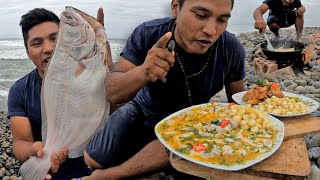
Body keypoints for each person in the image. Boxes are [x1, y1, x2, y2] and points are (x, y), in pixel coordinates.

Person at [83, 0, 245, 179]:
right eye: (200, 15)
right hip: (144, 111)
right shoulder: (148, 33)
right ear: (176, 7)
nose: (211, 30)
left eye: (222, 20)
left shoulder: (231, 48)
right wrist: (143, 72)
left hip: (192, 124)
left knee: (186, 144)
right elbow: (112, 92)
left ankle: (114, 174)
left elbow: (238, 104)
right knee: (93, 160)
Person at [7, 7, 105, 179]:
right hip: (53, 171)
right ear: (28, 52)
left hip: (97, 169)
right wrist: (36, 151)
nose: (49, 48)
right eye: (37, 43)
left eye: (55, 38)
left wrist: (103, 52)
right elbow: (20, 142)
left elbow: (117, 105)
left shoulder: (89, 71)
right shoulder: (20, 90)